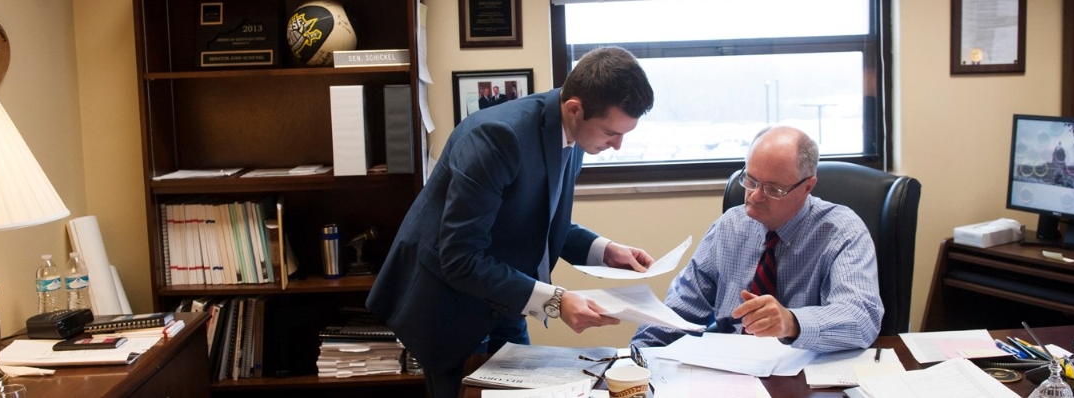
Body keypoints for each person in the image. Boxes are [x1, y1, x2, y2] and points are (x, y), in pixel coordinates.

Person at [367, 46, 656, 398]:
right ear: (575, 108)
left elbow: (534, 216)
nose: (617, 146)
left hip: (505, 299)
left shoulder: (576, 134)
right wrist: (557, 301)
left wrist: (602, 250)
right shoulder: (496, 137)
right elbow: (459, 258)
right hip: (448, 306)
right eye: (612, 134)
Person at [630, 126, 882, 353]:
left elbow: (861, 318)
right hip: (730, 370)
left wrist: (791, 322)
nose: (755, 196)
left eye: (773, 189)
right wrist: (637, 356)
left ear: (807, 187)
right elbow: (681, 308)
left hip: (806, 375)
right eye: (750, 180)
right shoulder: (731, 226)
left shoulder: (841, 231)